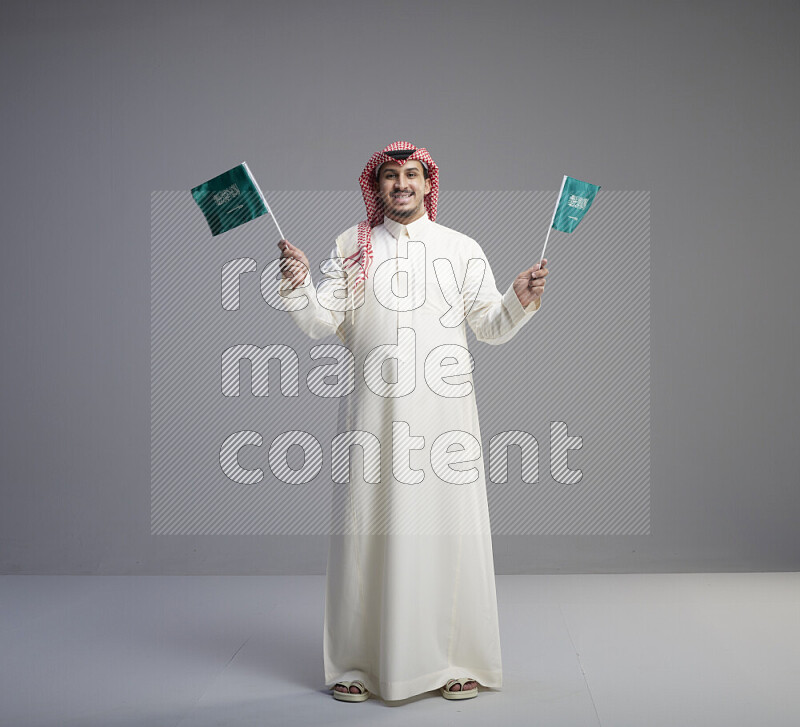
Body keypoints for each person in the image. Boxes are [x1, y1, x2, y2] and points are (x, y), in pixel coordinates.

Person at [276, 141, 548, 703]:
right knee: (364, 535)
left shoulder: (461, 248)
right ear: (376, 189)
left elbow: (490, 327)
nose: (402, 184)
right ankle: (356, 664)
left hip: (445, 417)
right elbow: (321, 322)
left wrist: (518, 301)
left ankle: (456, 662)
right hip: (373, 416)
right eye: (391, 177)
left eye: (412, 175)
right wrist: (300, 282)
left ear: (428, 185)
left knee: (449, 533)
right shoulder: (353, 248)